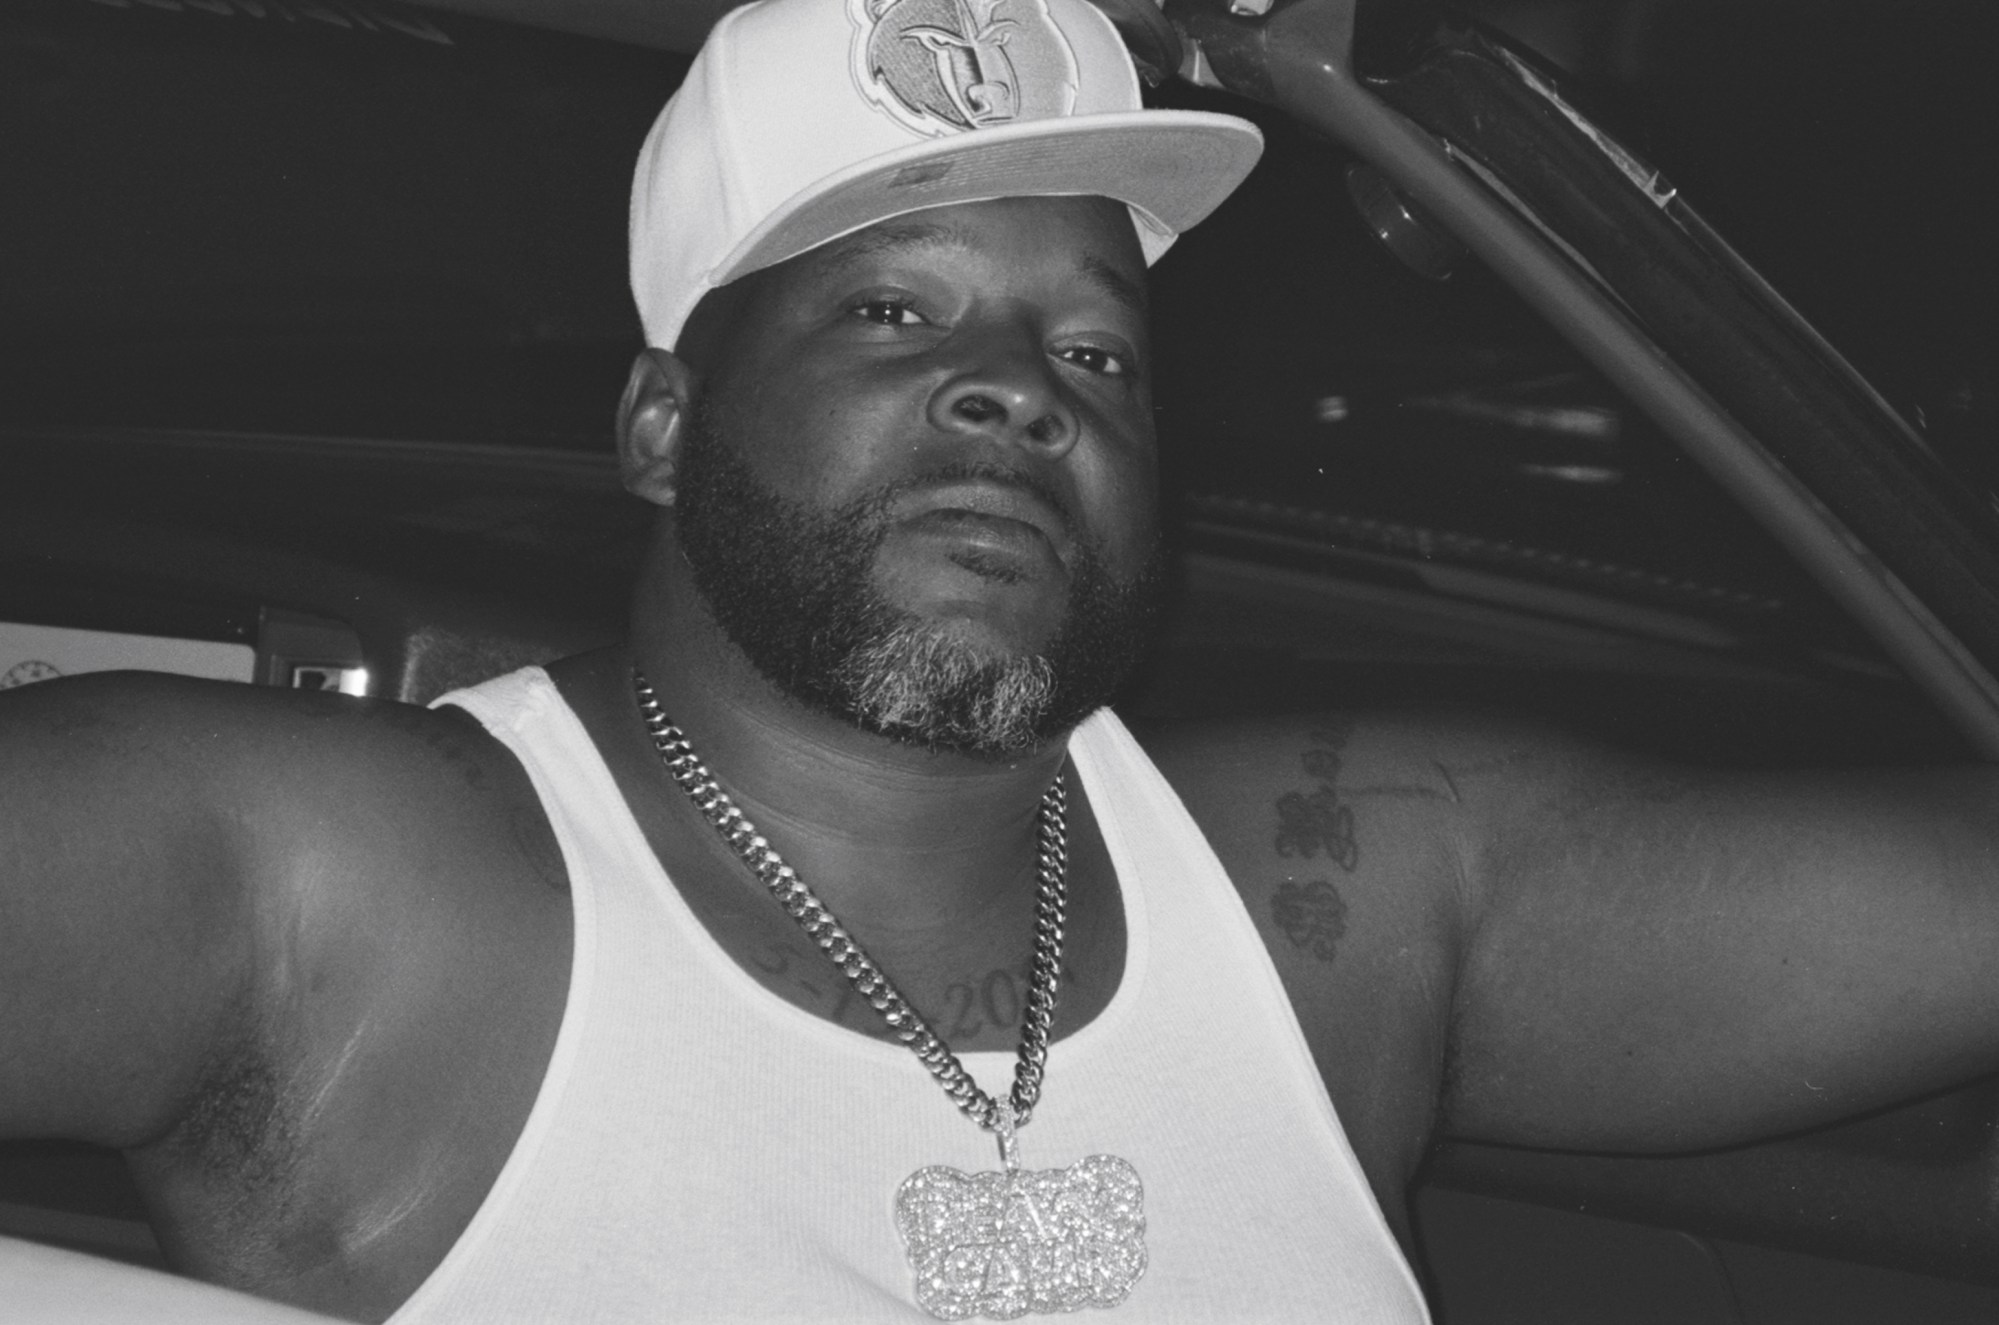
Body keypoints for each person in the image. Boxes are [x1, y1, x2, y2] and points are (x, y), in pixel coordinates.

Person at [5, 0, 1999, 1319]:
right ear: (661, 427)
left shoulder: (1353, 888)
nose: (1017, 393)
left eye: (1095, 346)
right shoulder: (324, 874)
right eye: (892, 309)